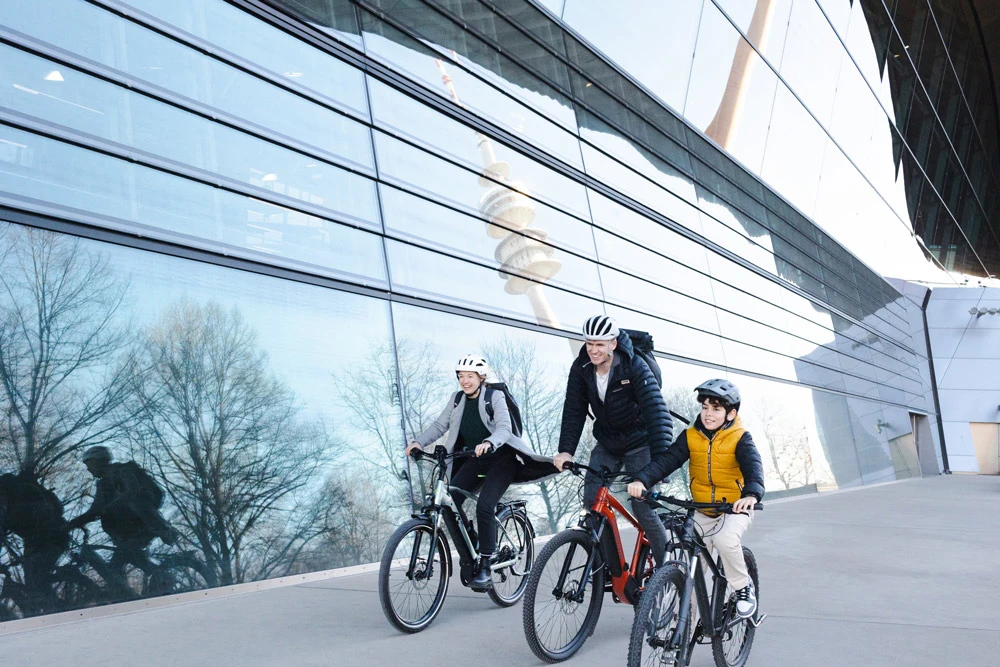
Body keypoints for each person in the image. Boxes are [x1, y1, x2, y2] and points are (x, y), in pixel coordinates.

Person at [406, 354, 553, 592]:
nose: (465, 381)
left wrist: (489, 441)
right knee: (449, 501)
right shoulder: (456, 400)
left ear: (481, 377)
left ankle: (486, 563)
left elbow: (505, 428)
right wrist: (418, 442)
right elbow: (439, 426)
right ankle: (470, 548)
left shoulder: (494, 397)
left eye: (470, 376)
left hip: (502, 459)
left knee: (485, 506)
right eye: (461, 376)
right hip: (475, 459)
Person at [627, 379, 764, 618]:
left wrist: (751, 494)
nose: (708, 414)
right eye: (705, 407)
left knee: (724, 540)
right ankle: (684, 623)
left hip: (734, 508)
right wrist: (642, 480)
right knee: (690, 563)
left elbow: (753, 467)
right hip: (702, 510)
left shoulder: (740, 438)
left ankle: (743, 588)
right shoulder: (691, 436)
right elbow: (667, 461)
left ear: (730, 414)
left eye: (716, 409)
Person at [552, 315, 673, 569]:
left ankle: (668, 569)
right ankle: (607, 566)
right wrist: (566, 451)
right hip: (608, 442)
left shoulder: (634, 366)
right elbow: (573, 410)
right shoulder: (581, 368)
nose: (593, 350)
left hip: (640, 443)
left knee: (641, 506)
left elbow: (657, 414)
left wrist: (660, 467)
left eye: (600, 344)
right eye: (589, 344)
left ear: (613, 344)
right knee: (592, 501)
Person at [67, 446, 178, 591]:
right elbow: (95, 510)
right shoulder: (103, 484)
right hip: (125, 533)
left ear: (98, 460)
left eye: (89, 465)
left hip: (143, 525)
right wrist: (71, 524)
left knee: (120, 562)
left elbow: (133, 493)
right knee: (116, 569)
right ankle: (128, 595)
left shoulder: (124, 471)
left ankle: (162, 572)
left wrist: (109, 507)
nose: (88, 469)